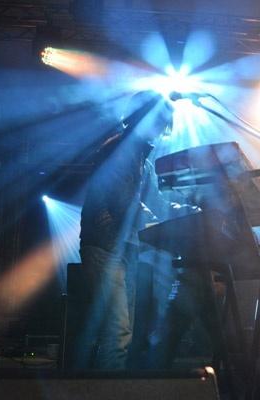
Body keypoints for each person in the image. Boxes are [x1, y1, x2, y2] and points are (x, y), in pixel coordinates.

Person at [74, 91, 173, 370]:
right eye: (159, 122)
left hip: (124, 249)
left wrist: (189, 209)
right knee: (118, 333)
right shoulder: (119, 150)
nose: (161, 131)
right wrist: (152, 216)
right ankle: (107, 388)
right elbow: (122, 201)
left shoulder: (143, 160)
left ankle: (107, 385)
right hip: (105, 247)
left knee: (121, 334)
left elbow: (157, 202)